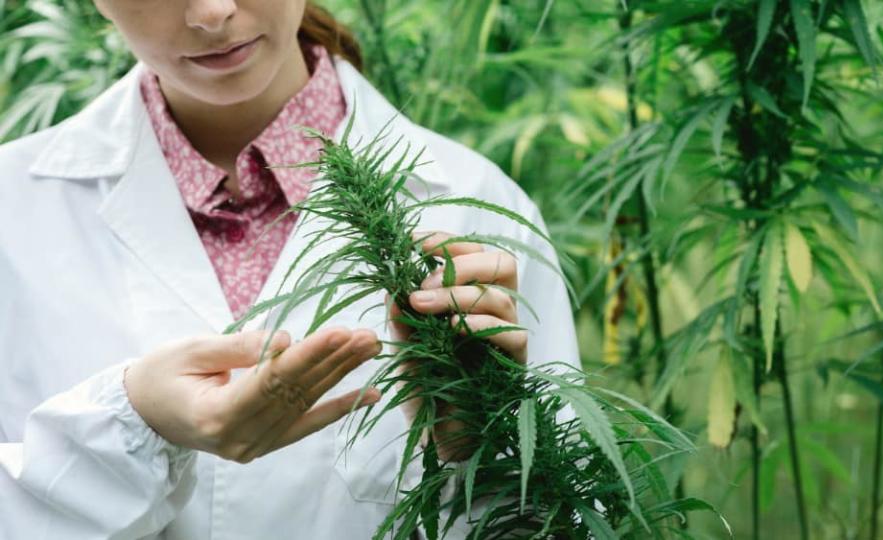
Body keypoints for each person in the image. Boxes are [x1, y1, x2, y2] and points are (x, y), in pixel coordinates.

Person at [0, 1, 578, 538]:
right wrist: (132, 423)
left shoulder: (478, 206)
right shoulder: (15, 210)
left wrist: (477, 451)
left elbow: (574, 511)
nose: (211, 11)